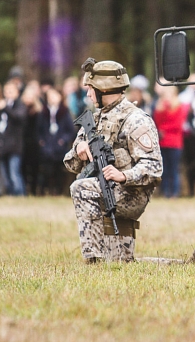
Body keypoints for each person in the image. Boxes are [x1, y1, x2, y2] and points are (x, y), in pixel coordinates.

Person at [65, 58, 162, 263]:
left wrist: (123, 175)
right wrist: (78, 149)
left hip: (131, 193)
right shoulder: (96, 118)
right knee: (121, 262)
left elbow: (154, 167)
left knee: (81, 188)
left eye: (91, 88)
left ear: (104, 89)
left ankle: (93, 259)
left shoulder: (136, 120)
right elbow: (70, 164)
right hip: (106, 188)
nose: (88, 94)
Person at [36, 88, 75, 195]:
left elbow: (70, 130)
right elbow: (39, 130)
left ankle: (58, 191)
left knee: (59, 171)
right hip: (47, 147)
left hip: (60, 148)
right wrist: (41, 142)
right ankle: (46, 190)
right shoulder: (44, 112)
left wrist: (62, 141)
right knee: (46, 170)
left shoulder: (64, 111)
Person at [153, 83, 188, 198]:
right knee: (165, 169)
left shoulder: (179, 107)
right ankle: (166, 191)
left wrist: (163, 129)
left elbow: (178, 125)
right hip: (163, 143)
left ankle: (175, 192)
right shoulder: (160, 107)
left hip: (174, 143)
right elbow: (156, 121)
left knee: (174, 169)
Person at [0, 80, 27, 196]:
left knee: (14, 174)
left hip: (14, 146)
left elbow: (19, 118)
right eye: (6, 91)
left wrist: (6, 109)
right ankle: (10, 195)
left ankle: (20, 195)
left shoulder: (20, 105)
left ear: (17, 92)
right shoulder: (0, 106)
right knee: (5, 175)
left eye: (11, 91)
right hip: (1, 145)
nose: (8, 94)